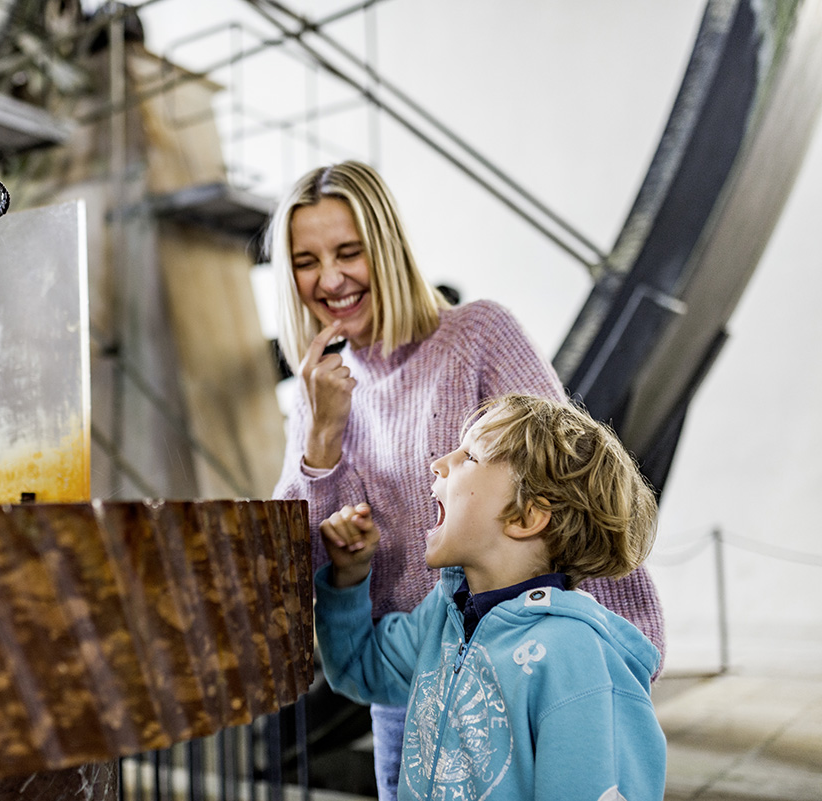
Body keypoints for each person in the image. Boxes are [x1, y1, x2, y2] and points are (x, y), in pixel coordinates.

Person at [266, 160, 665, 800]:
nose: (332, 278)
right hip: (415, 680)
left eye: (349, 251)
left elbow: (567, 485)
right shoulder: (316, 397)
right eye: (307, 261)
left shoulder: (478, 335)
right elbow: (302, 564)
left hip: (532, 665)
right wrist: (321, 443)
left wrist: (616, 653)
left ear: (388, 247)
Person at [314, 394, 666, 800]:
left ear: (525, 517)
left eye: (470, 457)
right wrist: (349, 577)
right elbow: (359, 666)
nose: (439, 463)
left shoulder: (573, 656)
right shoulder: (444, 619)